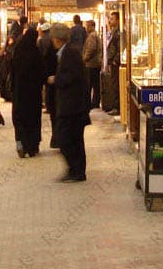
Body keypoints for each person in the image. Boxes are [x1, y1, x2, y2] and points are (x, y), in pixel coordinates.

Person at [48, 23, 90, 181]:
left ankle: (76, 170)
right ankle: (76, 171)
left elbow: (73, 77)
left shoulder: (69, 54)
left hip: (73, 107)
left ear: (57, 39)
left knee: (67, 138)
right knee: (74, 139)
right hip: (72, 106)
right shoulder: (66, 52)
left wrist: (55, 79)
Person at [10, 26, 46, 157]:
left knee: (20, 118)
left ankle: (20, 143)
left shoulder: (18, 51)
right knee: (33, 119)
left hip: (19, 92)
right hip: (33, 94)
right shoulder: (36, 53)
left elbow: (12, 71)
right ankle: (32, 146)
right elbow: (42, 73)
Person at [103, 10, 121, 116]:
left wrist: (115, 61)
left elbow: (119, 48)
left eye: (112, 19)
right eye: (110, 18)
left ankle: (117, 107)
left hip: (115, 63)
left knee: (116, 84)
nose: (110, 21)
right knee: (114, 84)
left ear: (118, 20)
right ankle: (115, 106)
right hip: (113, 62)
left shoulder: (118, 33)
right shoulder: (114, 31)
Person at [82, 19, 102, 110]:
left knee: (90, 84)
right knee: (95, 85)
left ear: (91, 26)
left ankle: (91, 103)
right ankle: (95, 102)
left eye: (87, 26)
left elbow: (91, 49)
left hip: (91, 64)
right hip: (95, 63)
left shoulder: (92, 36)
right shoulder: (94, 35)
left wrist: (84, 59)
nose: (86, 28)